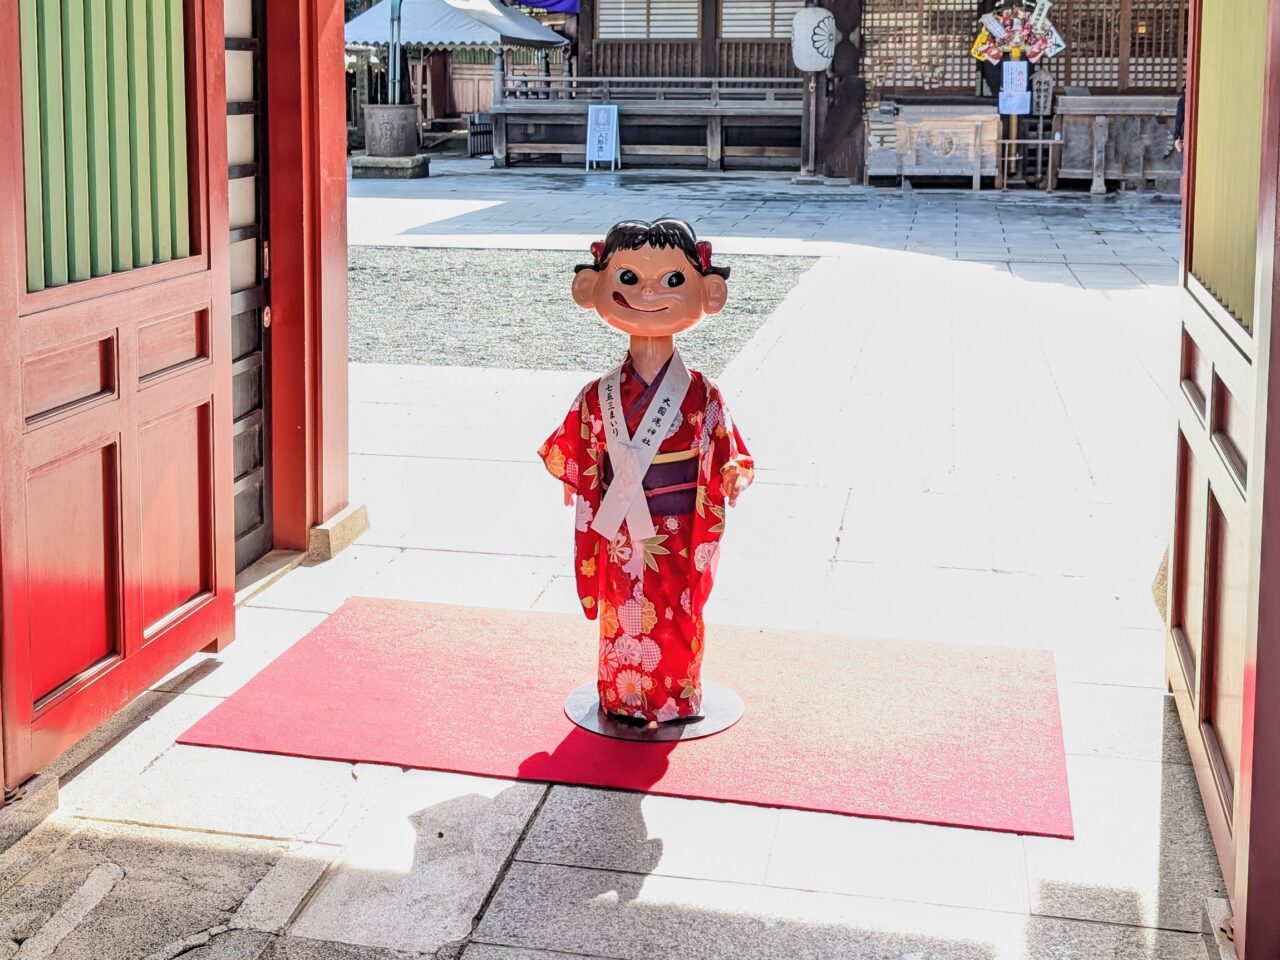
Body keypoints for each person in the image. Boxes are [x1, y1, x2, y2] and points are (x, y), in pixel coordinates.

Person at [538, 219, 753, 724]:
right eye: (629, 280)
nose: (650, 293)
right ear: (592, 289)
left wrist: (732, 470)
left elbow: (726, 446)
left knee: (676, 614)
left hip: (676, 529)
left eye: (673, 281)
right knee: (624, 614)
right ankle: (621, 695)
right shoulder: (600, 394)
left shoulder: (702, 395)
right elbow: (579, 449)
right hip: (618, 527)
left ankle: (677, 695)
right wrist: (579, 478)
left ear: (709, 292)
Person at [1174, 88, 1186, 153]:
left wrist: (1177, 137)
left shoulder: (1182, 100)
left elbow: (1179, 120)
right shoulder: (1182, 101)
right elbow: (1179, 119)